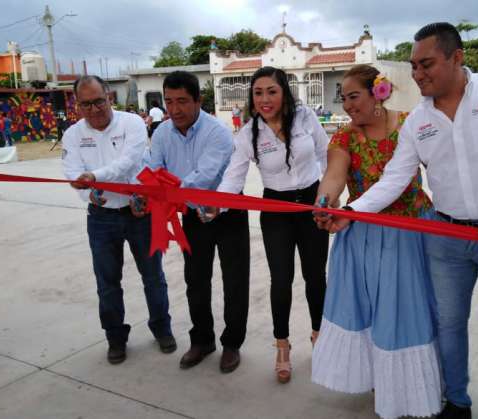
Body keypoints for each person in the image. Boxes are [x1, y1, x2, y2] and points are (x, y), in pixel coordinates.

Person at [325, 23, 478, 419]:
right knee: (448, 325)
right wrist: (349, 212)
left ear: (456, 57)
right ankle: (458, 403)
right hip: (446, 235)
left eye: (427, 64)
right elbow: (395, 179)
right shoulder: (419, 121)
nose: (417, 74)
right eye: (414, 66)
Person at [311, 65, 442, 419]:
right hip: (363, 235)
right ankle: (381, 379)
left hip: (412, 233)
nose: (348, 106)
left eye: (355, 97)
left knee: (409, 310)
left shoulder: (411, 125)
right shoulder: (344, 138)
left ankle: (415, 388)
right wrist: (325, 202)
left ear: (378, 93)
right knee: (371, 311)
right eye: (345, 99)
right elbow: (334, 177)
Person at [211, 66, 329, 383]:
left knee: (316, 277)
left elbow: (325, 153)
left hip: (312, 204)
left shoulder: (305, 117)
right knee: (282, 280)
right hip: (275, 209)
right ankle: (282, 346)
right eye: (258, 92)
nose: (265, 99)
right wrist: (216, 204)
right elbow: (233, 177)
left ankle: (320, 339)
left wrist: (329, 195)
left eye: (272, 92)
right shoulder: (249, 133)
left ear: (284, 93)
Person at [61, 75, 174, 365]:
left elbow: (128, 162)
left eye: (99, 101)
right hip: (101, 217)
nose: (95, 109)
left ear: (110, 96)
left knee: (153, 277)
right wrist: (89, 195)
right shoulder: (73, 135)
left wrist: (94, 178)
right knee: (107, 282)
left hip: (139, 212)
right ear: (77, 105)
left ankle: (162, 328)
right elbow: (73, 173)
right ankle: (115, 337)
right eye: (86, 104)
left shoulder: (132, 123)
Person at [148, 71, 250, 374]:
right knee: (196, 281)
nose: (175, 109)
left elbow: (204, 177)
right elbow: (153, 168)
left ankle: (232, 344)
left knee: (234, 282)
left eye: (182, 101)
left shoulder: (217, 132)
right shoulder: (162, 133)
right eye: (169, 101)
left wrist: (168, 193)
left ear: (198, 101)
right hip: (192, 215)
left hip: (227, 212)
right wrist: (146, 189)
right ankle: (202, 340)